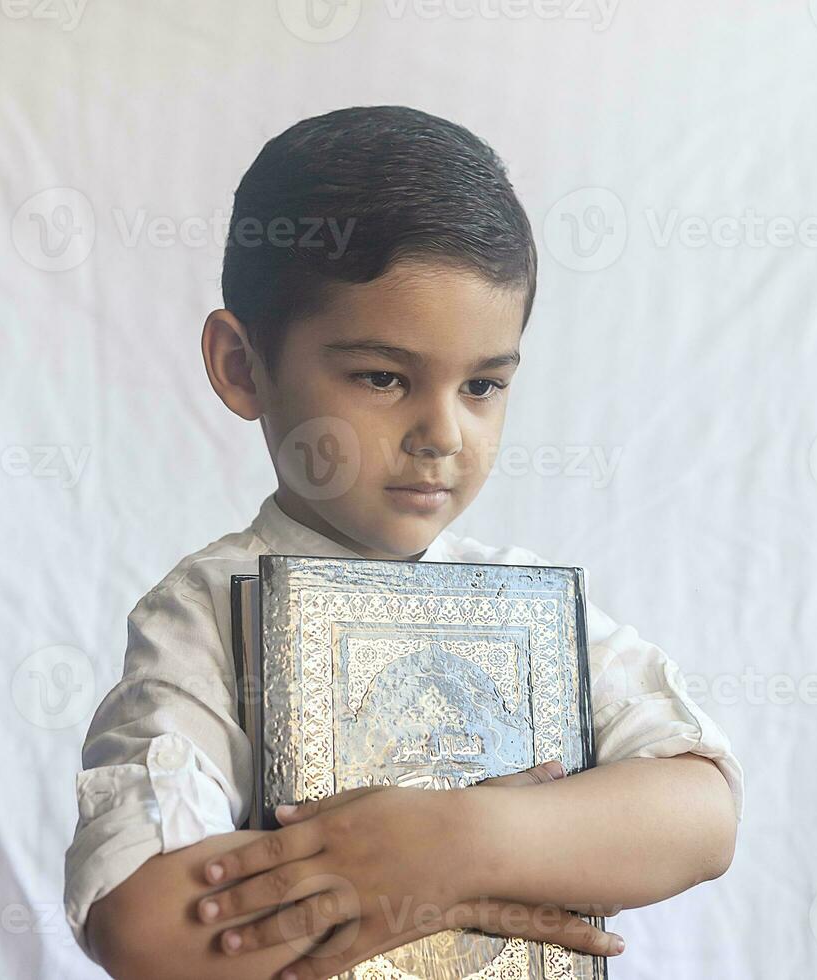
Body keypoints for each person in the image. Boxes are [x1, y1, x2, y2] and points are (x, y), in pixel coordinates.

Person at [63, 105, 744, 980]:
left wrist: (452, 847)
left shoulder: (528, 610)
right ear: (242, 367)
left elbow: (701, 817)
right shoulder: (207, 615)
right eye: (382, 377)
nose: (441, 432)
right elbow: (147, 929)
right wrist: (414, 878)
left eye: (483, 385)